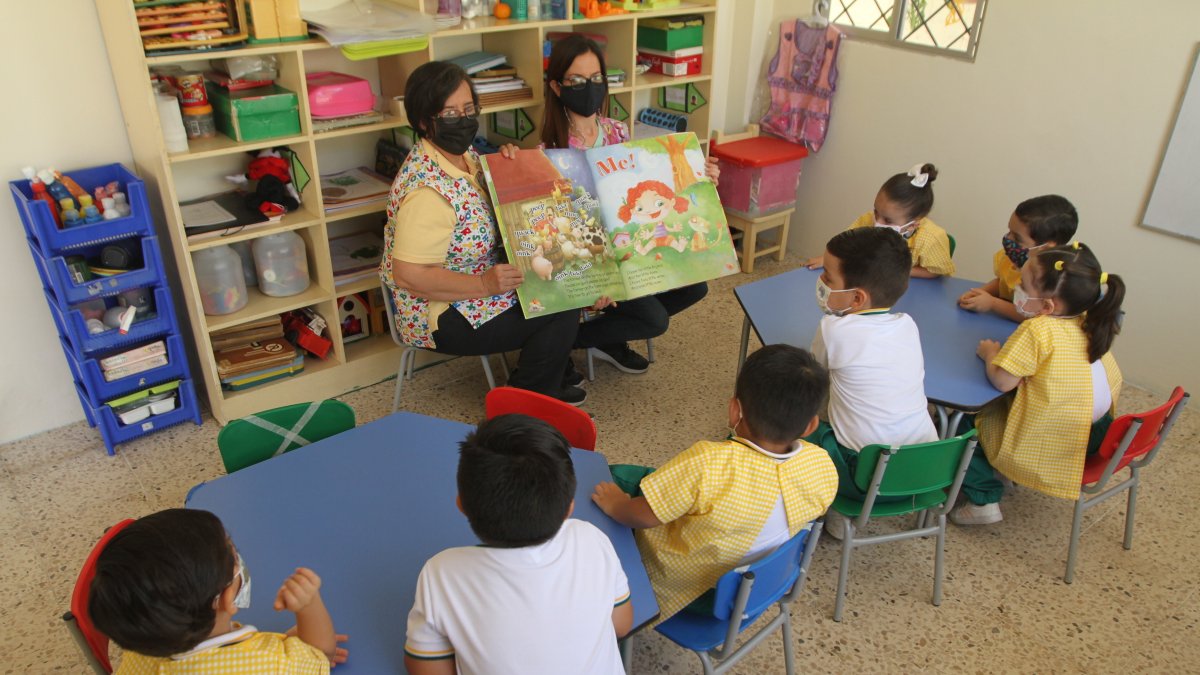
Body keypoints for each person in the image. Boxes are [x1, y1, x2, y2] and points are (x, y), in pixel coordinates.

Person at [500, 34, 718, 378]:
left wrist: (699, 173)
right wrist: (510, 161)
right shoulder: (548, 152)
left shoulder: (617, 131)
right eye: (576, 80)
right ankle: (568, 340)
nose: (589, 87)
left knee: (697, 286)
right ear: (557, 87)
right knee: (654, 320)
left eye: (597, 79)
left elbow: (643, 185)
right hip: (591, 263)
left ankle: (609, 335)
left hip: (630, 251)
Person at [382, 61, 586, 404]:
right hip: (439, 311)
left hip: (482, 283)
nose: (462, 120)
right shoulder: (426, 191)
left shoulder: (464, 155)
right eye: (449, 113)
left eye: (468, 109)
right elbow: (408, 275)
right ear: (422, 121)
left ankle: (547, 379)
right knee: (558, 307)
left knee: (563, 280)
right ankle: (521, 407)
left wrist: (506, 164)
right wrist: (482, 285)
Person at [591, 344, 838, 620]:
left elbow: (644, 517)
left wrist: (615, 506)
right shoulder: (822, 464)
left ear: (735, 410)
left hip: (689, 593)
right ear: (811, 426)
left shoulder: (709, 463)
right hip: (750, 591)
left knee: (617, 479)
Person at [404, 414, 632, 675]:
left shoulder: (441, 573)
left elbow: (425, 669)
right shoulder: (592, 538)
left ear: (461, 506)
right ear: (570, 507)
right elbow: (621, 625)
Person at [951, 243, 1124, 525]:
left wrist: (990, 354)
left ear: (1046, 306)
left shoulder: (1038, 328)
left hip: (1057, 438)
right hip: (1098, 432)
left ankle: (983, 499)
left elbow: (1002, 382)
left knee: (965, 423)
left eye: (1024, 284)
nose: (1017, 285)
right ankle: (1000, 471)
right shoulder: (1089, 318)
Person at [88, 508, 344, 674]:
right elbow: (323, 654)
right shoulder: (274, 665)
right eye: (232, 551)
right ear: (227, 597)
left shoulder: (140, 644)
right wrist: (309, 604)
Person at [805, 228, 939, 537]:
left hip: (862, 477)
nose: (822, 283)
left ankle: (838, 508)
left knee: (803, 426)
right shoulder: (908, 324)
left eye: (828, 277)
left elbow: (814, 374)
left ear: (856, 297)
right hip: (924, 473)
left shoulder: (832, 329)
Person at [806, 163, 954, 278]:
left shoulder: (930, 239)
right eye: (876, 211)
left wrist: (900, 272)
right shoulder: (867, 221)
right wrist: (831, 259)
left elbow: (935, 272)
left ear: (914, 223)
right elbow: (847, 246)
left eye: (888, 220)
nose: (877, 221)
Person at [958, 194, 1078, 322]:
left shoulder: (1052, 280)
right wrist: (979, 292)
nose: (1008, 239)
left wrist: (992, 303)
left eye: (1017, 238)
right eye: (1009, 231)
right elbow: (1003, 282)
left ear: (1045, 248)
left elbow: (1033, 315)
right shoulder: (1010, 259)